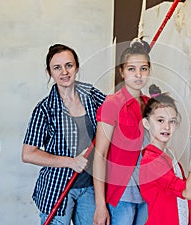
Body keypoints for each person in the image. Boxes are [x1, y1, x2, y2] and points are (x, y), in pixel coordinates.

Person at [22, 44, 106, 225]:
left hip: (90, 186)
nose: (64, 72)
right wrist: (70, 162)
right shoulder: (44, 109)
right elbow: (28, 154)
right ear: (50, 72)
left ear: (77, 67)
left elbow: (114, 109)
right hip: (57, 188)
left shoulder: (91, 95)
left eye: (69, 65)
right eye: (57, 67)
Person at [139, 84, 191, 225]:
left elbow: (175, 187)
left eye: (172, 121)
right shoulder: (151, 160)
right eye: (160, 120)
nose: (167, 127)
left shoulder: (169, 153)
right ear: (146, 123)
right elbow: (188, 193)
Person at [93, 38, 151, 225]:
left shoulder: (152, 106)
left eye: (143, 68)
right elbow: (100, 155)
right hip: (122, 194)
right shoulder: (112, 104)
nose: (138, 75)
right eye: (131, 69)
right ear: (122, 72)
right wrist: (100, 205)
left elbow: (158, 151)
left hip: (148, 192)